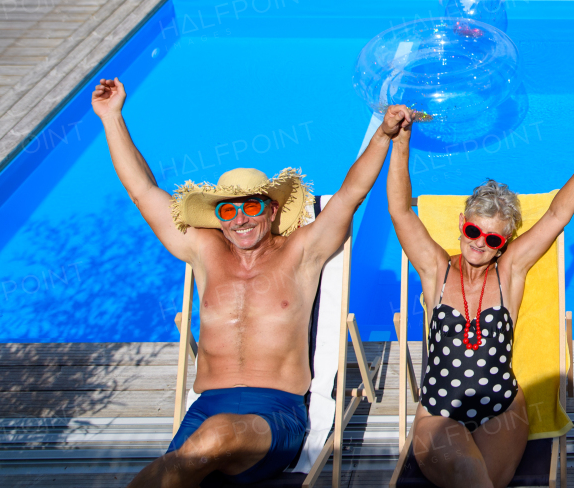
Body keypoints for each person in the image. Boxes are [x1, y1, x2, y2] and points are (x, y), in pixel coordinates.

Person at [92, 78, 413, 487]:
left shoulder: (302, 252)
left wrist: (385, 135)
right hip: (204, 408)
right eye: (229, 209)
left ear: (272, 207)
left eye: (252, 206)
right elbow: (142, 191)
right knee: (203, 446)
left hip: (274, 416)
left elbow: (352, 194)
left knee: (211, 442)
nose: (240, 219)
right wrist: (112, 117)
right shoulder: (205, 252)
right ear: (218, 216)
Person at [386, 98, 574, 488]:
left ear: (504, 243)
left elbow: (558, 215)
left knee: (482, 480)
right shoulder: (435, 269)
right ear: (461, 223)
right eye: (473, 231)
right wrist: (402, 140)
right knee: (467, 472)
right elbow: (400, 211)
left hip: (502, 407)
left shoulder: (510, 272)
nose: (479, 244)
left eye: (492, 238)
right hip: (440, 410)